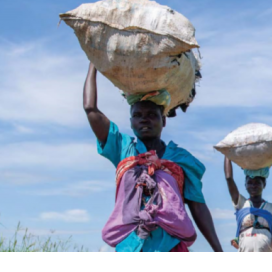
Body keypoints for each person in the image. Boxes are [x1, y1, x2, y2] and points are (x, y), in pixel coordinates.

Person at [83, 63, 223, 252]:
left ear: (163, 120)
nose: (144, 119)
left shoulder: (181, 160)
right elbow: (90, 108)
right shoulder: (123, 149)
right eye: (138, 115)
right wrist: (94, 63)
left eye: (151, 114)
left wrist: (218, 249)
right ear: (131, 122)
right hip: (131, 245)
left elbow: (198, 206)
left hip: (171, 245)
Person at [224, 157, 272, 252]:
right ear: (245, 185)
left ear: (264, 184)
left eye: (257, 183)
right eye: (249, 183)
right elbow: (229, 178)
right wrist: (227, 155)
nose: (253, 186)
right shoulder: (241, 203)